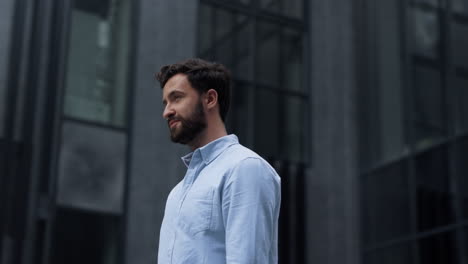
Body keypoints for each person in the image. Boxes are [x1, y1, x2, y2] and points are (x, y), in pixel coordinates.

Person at [156, 58, 281, 264]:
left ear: (210, 99)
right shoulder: (177, 194)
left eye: (176, 98)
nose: (166, 112)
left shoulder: (245, 168)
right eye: (165, 103)